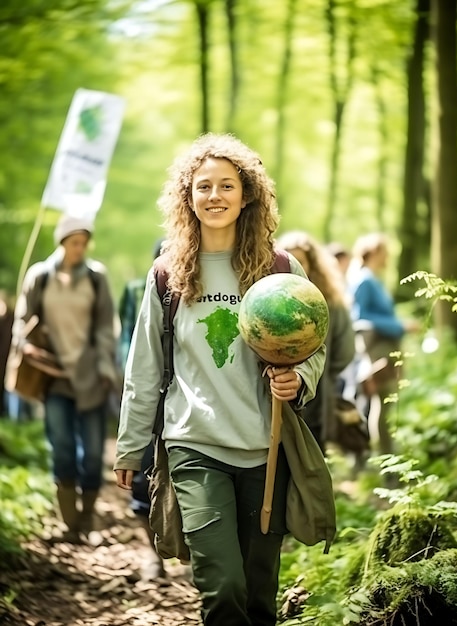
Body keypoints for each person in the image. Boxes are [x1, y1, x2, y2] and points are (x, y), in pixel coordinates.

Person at [114, 133, 326, 626]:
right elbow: (144, 366)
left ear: (247, 193)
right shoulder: (168, 274)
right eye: (203, 186)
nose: (215, 196)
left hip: (266, 450)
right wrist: (130, 446)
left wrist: (299, 379)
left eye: (226, 186)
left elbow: (313, 345)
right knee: (223, 588)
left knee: (258, 597)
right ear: (187, 197)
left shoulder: (279, 269)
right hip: (195, 447)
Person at [12, 214, 118, 543]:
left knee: (92, 453)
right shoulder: (40, 276)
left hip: (89, 375)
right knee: (62, 448)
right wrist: (25, 345)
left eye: (84, 242)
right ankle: (69, 524)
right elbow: (23, 320)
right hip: (52, 375)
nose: (80, 248)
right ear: (62, 242)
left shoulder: (96, 277)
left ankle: (87, 517)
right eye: (75, 242)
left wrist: (104, 368)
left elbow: (105, 327)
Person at [277, 231, 355, 453]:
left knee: (312, 459)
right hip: (274, 396)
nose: (293, 266)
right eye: (288, 259)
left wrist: (320, 372)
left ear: (313, 265)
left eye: (300, 261)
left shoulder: (329, 302)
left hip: (317, 396)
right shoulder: (267, 303)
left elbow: (345, 350)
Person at [117, 238, 166, 580]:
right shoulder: (138, 290)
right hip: (147, 391)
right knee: (143, 479)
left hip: (184, 398)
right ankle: (153, 557)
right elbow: (127, 337)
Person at [348, 232, 419, 455]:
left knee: (386, 403)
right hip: (378, 349)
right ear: (374, 252)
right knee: (384, 402)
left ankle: (385, 458)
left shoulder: (372, 279)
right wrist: (399, 326)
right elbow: (360, 319)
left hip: (386, 346)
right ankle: (386, 462)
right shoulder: (364, 280)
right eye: (385, 252)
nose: (388, 256)